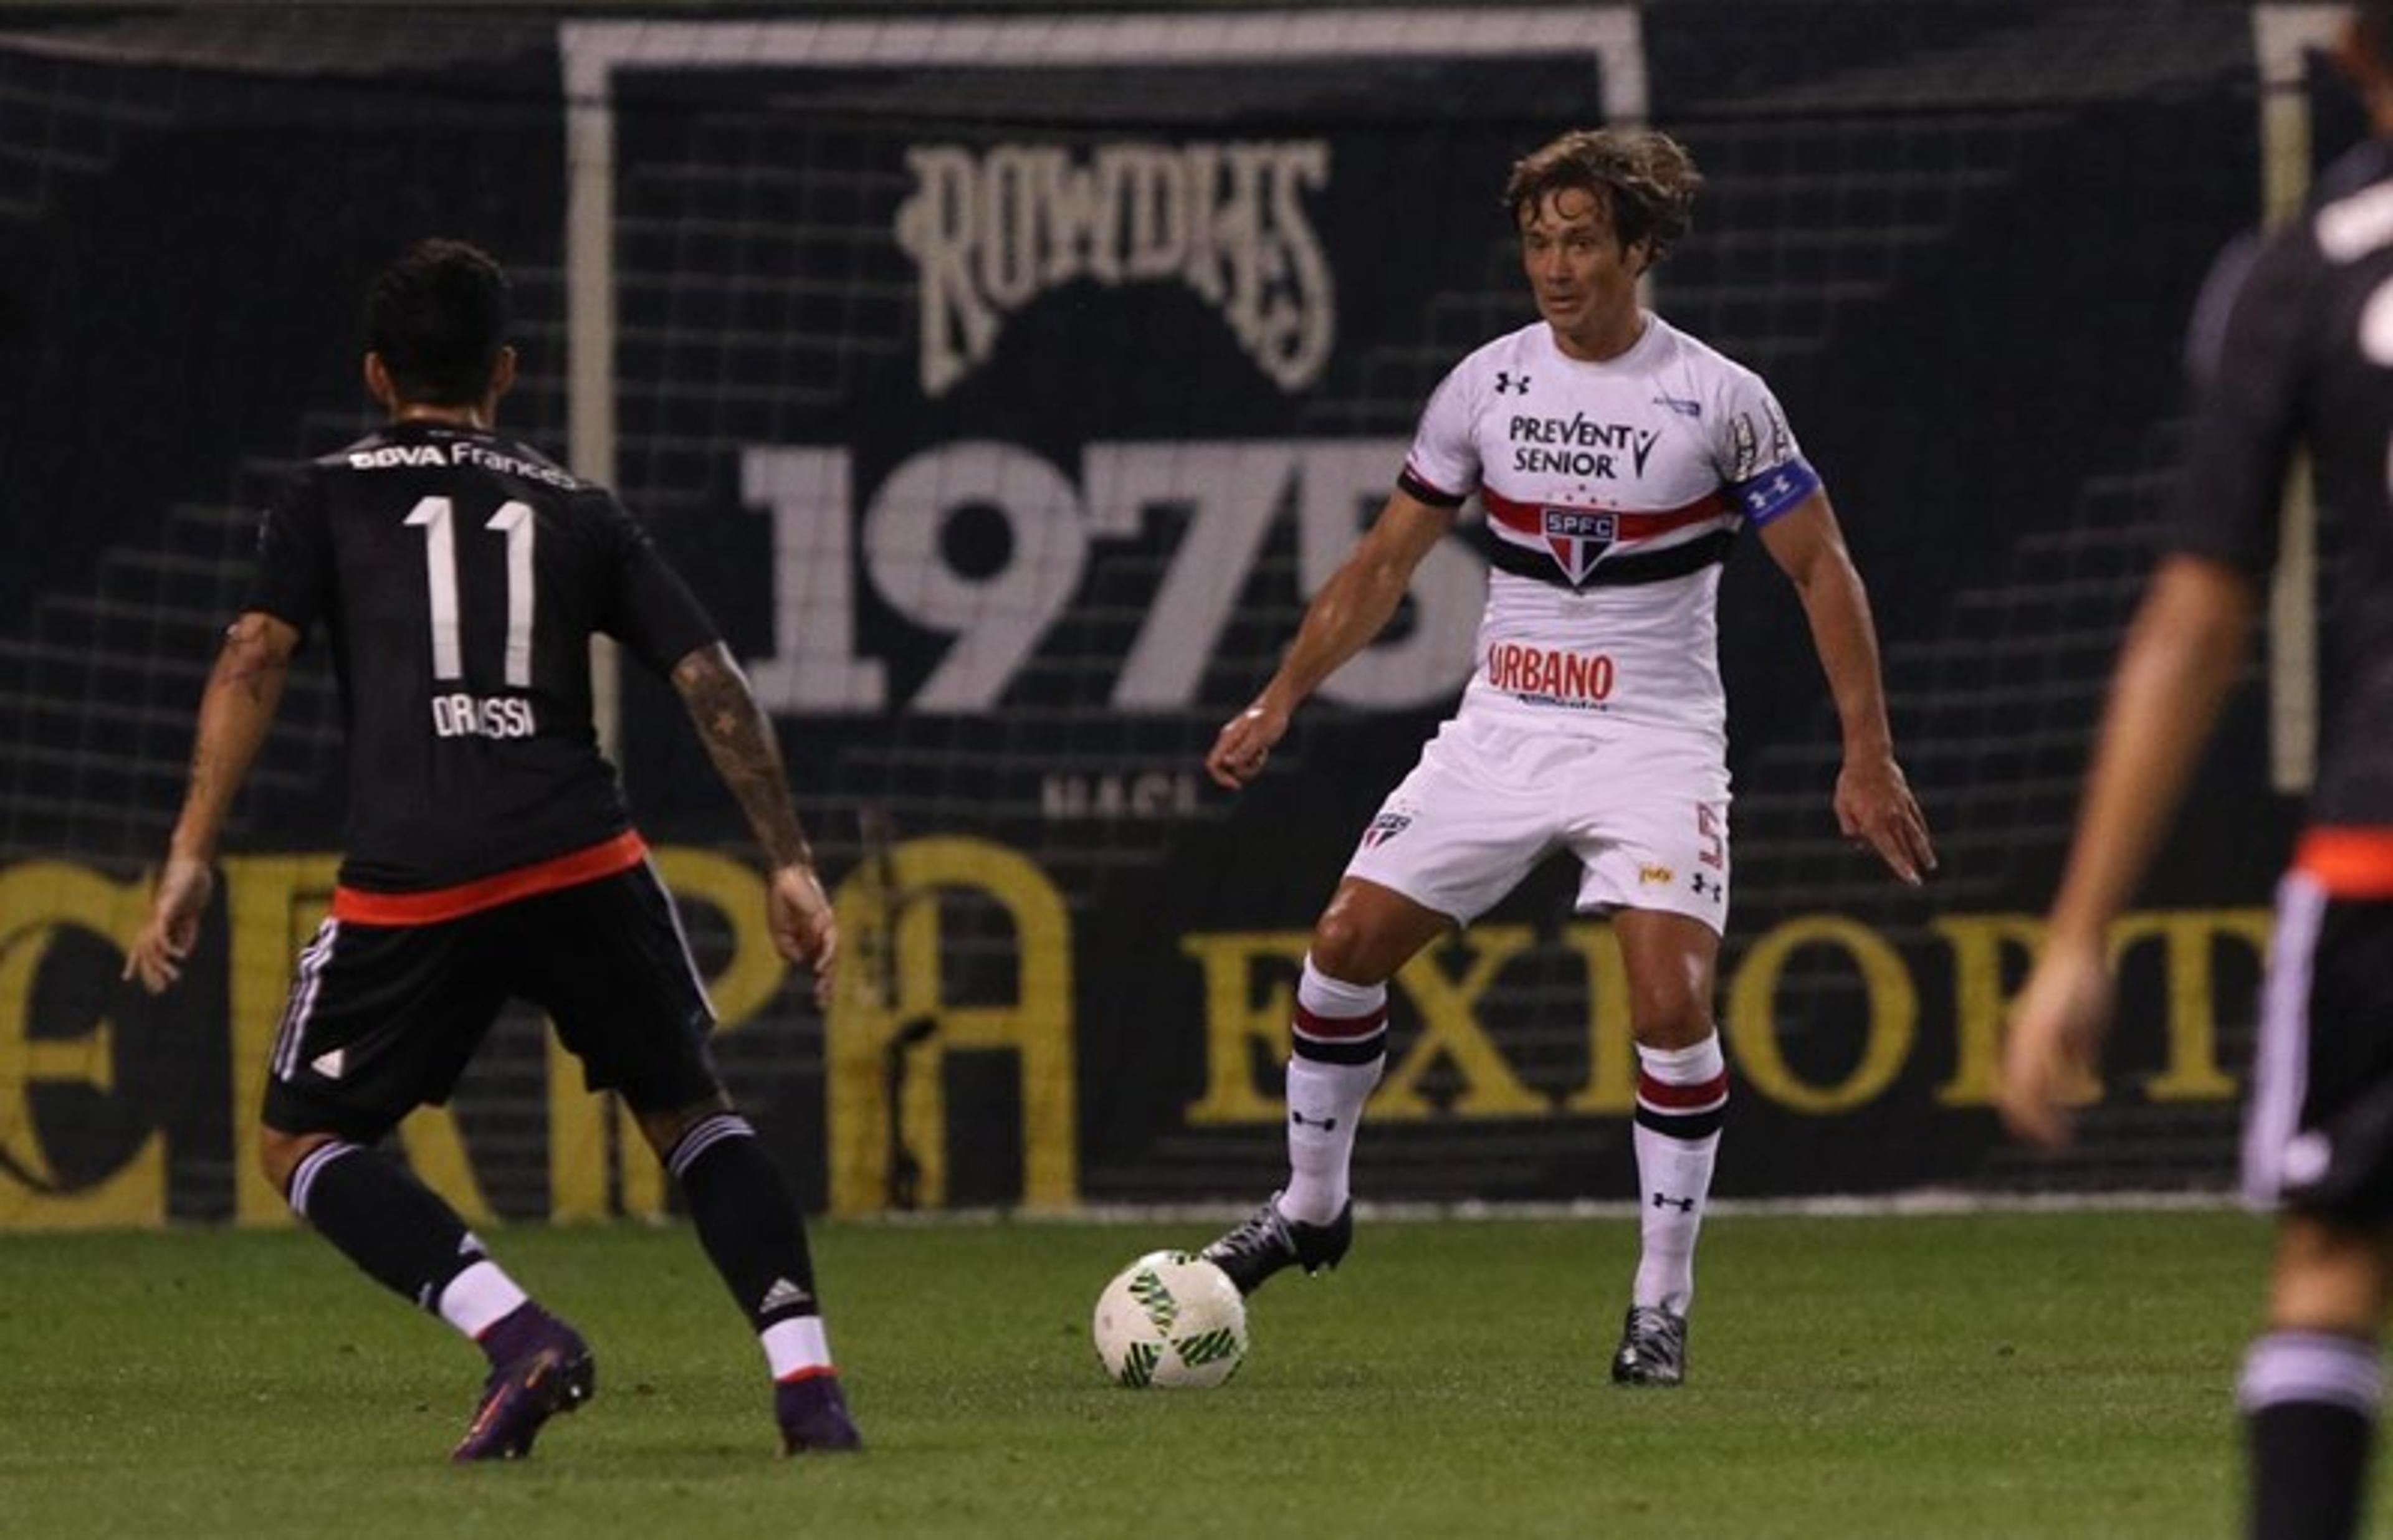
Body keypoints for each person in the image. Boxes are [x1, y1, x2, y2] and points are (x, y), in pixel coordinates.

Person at [1196, 127, 1936, 1385]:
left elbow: (1823, 570)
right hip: (1505, 730)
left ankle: (1659, 1306)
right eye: (1540, 240)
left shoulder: (1719, 398)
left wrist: (1867, 755)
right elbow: (1384, 565)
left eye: (1583, 239)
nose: (1557, 263)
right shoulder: (1486, 387)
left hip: (1654, 742)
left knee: (1669, 1003)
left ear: (1640, 248)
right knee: (1340, 949)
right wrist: (1278, 699)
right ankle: (1312, 1205)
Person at [123, 239, 862, 1462]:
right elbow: (710, 679)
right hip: (583, 849)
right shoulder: (579, 506)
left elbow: (254, 657)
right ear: (506, 372)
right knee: (690, 1116)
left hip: (420, 872)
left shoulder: (327, 491)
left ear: (375, 375)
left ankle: (519, 1334)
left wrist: (192, 849)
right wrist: (786, 857)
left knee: (301, 1143)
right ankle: (808, 1390)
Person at [1999, 9, 2393, 1534]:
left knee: (2335, 1266)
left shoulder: (2299, 272)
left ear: (2353, 53)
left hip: (2378, 857)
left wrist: (2080, 936)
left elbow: (2195, 615)